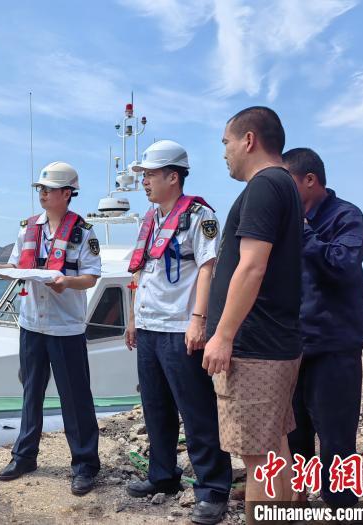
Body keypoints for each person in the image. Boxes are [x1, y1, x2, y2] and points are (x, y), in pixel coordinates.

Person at [124, 140, 232, 524]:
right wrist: (134, 318)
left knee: (197, 410)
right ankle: (163, 476)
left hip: (179, 328)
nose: (145, 183)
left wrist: (199, 320)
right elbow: (141, 271)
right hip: (150, 327)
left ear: (173, 176)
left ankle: (213, 488)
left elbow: (208, 267)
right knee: (155, 408)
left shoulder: (199, 216)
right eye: (144, 176)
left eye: (150, 175)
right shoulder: (150, 220)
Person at [203, 107, 303, 524]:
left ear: (248, 139)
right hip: (274, 344)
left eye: (225, 142)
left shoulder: (265, 186)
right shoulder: (282, 185)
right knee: (275, 445)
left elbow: (252, 265)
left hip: (255, 348)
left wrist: (223, 335)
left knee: (257, 457)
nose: (224, 153)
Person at [0, 161, 102, 495]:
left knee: (75, 398)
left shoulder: (84, 232)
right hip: (32, 323)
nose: (42, 194)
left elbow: (92, 275)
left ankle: (85, 465)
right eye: (40, 189)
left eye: (48, 190)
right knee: (31, 392)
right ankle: (24, 456)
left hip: (66, 328)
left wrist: (68, 282)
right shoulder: (28, 228)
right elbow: (19, 265)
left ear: (67, 194)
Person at [283, 147, 363, 508]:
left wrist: (304, 235)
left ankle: (342, 504)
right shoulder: (287, 222)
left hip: (334, 345)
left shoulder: (346, 216)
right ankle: (299, 497)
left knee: (336, 434)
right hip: (293, 344)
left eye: (286, 182)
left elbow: (344, 264)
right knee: (296, 432)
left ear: (310, 180)